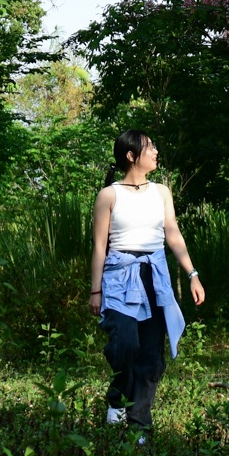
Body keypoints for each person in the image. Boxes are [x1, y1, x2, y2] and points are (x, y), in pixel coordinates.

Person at [88, 130, 204, 436]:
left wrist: (192, 274)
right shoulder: (109, 195)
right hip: (118, 278)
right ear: (131, 156)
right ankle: (117, 400)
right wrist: (95, 290)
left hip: (154, 276)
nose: (155, 152)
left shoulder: (161, 192)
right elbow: (100, 246)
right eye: (149, 147)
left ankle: (140, 425)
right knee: (125, 342)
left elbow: (172, 233)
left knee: (152, 354)